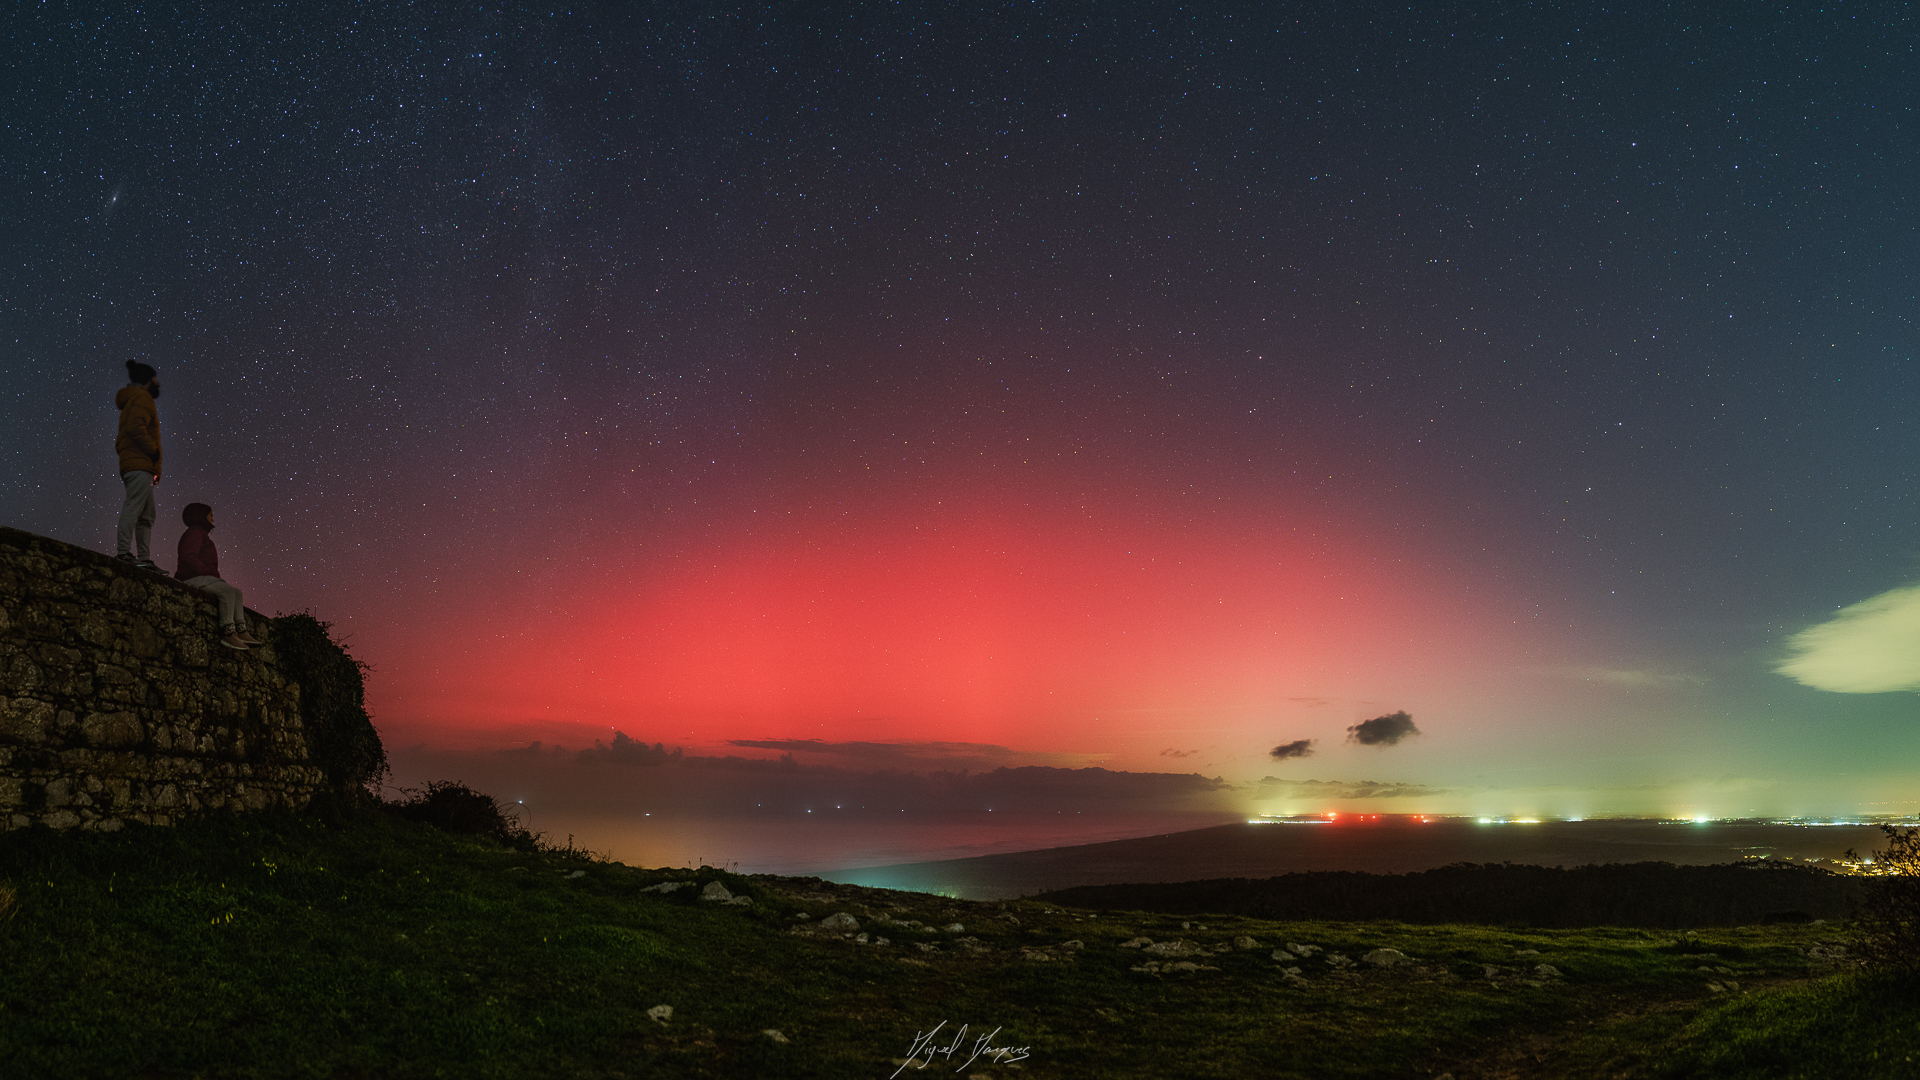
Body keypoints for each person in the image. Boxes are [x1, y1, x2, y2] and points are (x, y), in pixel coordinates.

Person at [175, 503, 261, 651]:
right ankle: (228, 633)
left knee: (236, 593)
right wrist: (206, 570)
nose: (213, 520)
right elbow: (188, 556)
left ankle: (241, 630)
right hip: (192, 577)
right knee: (226, 591)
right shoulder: (195, 533)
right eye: (211, 515)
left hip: (202, 576)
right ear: (202, 516)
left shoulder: (200, 534)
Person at [114, 360, 164, 569]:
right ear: (147, 381)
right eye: (154, 379)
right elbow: (136, 427)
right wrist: (153, 451)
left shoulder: (134, 398)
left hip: (138, 464)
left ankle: (143, 559)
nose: (158, 383)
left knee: (146, 515)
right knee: (135, 508)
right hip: (140, 463)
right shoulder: (142, 397)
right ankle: (124, 553)